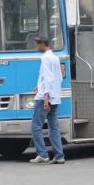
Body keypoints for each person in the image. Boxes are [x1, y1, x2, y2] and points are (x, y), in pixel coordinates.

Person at [30, 36, 65, 164]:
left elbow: (48, 78)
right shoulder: (55, 58)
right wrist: (39, 86)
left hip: (45, 97)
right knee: (54, 128)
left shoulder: (45, 58)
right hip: (55, 97)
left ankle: (42, 154)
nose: (36, 47)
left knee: (36, 126)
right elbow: (58, 78)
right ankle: (59, 156)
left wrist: (45, 98)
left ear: (41, 44)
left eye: (36, 45)